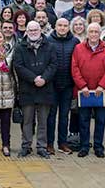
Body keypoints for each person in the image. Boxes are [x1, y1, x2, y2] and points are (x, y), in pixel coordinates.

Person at [13, 21, 56, 158]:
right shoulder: (20, 47)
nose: (33, 32)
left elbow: (53, 65)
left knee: (43, 121)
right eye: (30, 30)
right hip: (27, 89)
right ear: (26, 31)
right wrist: (34, 79)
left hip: (45, 88)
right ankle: (26, 146)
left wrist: (43, 78)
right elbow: (18, 66)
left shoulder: (49, 46)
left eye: (35, 29)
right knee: (27, 121)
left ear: (40, 30)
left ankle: (42, 147)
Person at [71, 23, 105, 158]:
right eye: (91, 32)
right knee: (83, 120)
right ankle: (84, 146)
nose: (94, 34)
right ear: (87, 33)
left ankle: (98, 147)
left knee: (101, 121)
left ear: (99, 33)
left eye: (96, 32)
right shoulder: (78, 48)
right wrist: (82, 85)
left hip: (100, 92)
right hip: (84, 91)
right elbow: (75, 68)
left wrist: (102, 86)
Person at [44, 18, 80, 155]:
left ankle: (63, 143)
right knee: (51, 116)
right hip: (52, 84)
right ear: (55, 26)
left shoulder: (75, 41)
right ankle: (49, 143)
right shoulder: (48, 40)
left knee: (65, 116)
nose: (62, 28)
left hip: (68, 85)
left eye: (65, 26)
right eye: (60, 25)